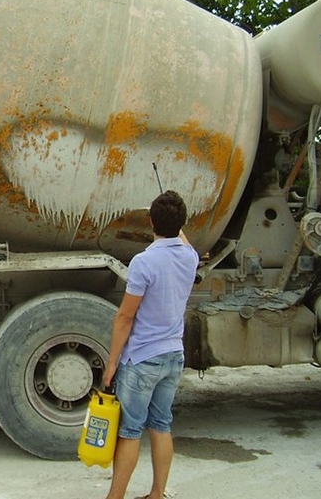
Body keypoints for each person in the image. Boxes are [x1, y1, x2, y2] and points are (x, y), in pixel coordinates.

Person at [101, 190, 199, 499]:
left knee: (129, 432)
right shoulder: (190, 257)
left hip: (143, 358)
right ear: (182, 222)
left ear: (150, 222)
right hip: (173, 356)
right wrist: (174, 222)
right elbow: (180, 237)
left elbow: (125, 317)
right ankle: (157, 493)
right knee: (161, 425)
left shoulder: (144, 262)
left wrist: (112, 362)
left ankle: (114, 498)